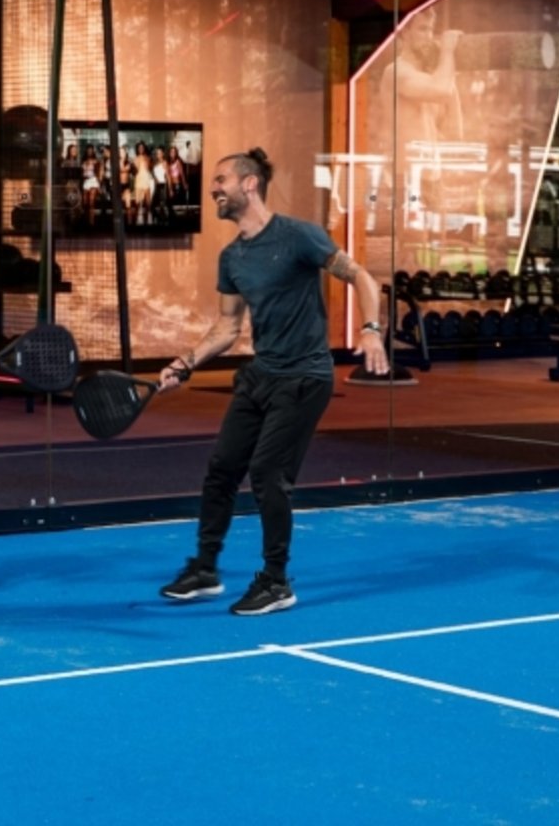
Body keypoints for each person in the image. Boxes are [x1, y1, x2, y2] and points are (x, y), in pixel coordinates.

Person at [155, 148, 390, 615]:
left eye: (221, 180)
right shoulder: (232, 258)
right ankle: (205, 568)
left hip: (305, 376)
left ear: (249, 184)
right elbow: (226, 329)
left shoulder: (299, 236)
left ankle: (277, 581)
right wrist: (184, 363)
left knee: (267, 474)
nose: (213, 189)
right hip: (262, 374)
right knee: (222, 467)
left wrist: (371, 330)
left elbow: (363, 277)